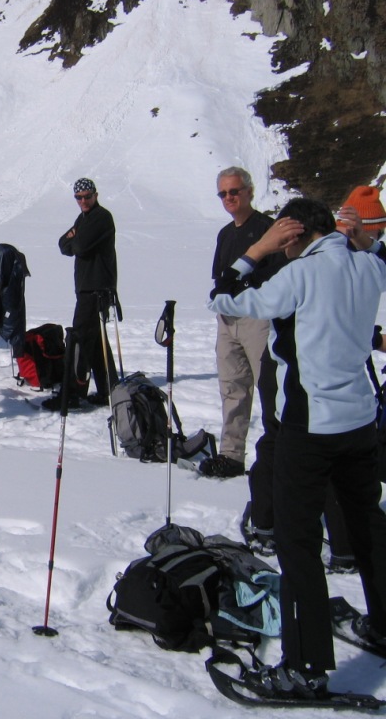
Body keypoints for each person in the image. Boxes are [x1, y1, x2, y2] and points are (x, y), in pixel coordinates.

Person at [209, 197, 386, 699]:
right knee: (368, 525)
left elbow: (224, 298)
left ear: (294, 235)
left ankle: (305, 667)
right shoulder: (366, 266)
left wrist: (254, 252)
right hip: (359, 421)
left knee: (298, 543)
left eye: (283, 238)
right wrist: (366, 240)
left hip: (309, 428)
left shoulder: (299, 275)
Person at [209, 167, 283, 477]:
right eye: (223, 193)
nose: (228, 198)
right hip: (228, 318)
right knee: (232, 387)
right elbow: (220, 276)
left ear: (249, 192)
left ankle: (278, 456)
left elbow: (280, 275)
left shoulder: (268, 229)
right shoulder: (225, 234)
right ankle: (231, 454)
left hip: (258, 318)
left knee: (269, 387)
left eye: (234, 191)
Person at [50, 177, 117, 411]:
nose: (83, 201)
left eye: (87, 196)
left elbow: (78, 246)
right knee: (96, 342)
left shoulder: (101, 217)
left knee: (78, 339)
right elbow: (63, 244)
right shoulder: (84, 219)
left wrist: (76, 239)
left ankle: (71, 394)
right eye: (78, 198)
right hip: (87, 288)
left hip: (96, 289)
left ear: (96, 195)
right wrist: (76, 239)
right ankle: (109, 389)